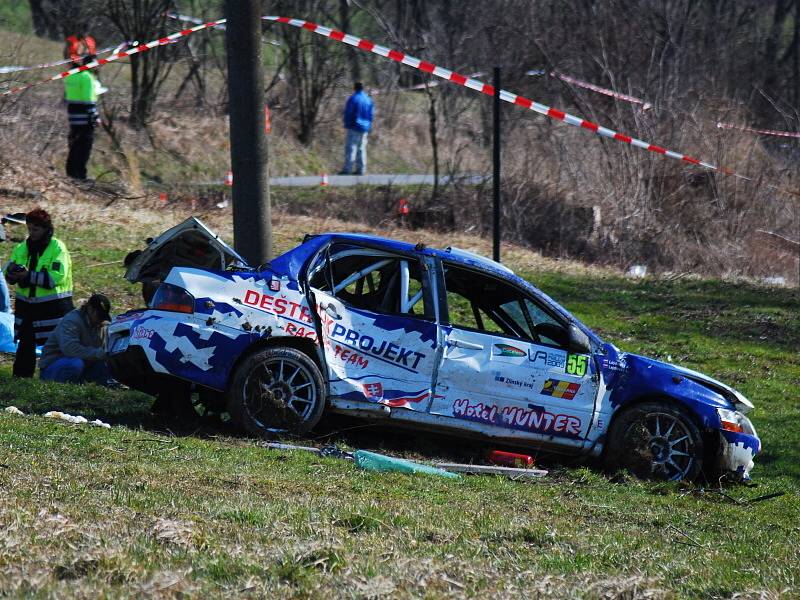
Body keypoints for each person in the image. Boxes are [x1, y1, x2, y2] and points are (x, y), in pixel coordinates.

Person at [4, 208, 74, 377]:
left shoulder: (57, 248)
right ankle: (21, 378)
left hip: (53, 309)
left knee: (57, 345)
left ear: (45, 229)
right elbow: (9, 274)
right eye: (29, 229)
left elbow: (56, 277)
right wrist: (12, 273)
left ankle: (58, 377)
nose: (32, 233)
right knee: (25, 344)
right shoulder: (22, 248)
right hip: (27, 307)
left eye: (36, 229)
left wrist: (28, 275)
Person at [39, 293, 112, 385]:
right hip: (54, 366)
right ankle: (63, 389)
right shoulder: (71, 321)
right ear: (90, 309)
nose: (102, 319)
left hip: (83, 365)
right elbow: (71, 350)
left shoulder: (102, 325)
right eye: (99, 315)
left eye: (104, 316)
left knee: (106, 365)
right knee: (75, 364)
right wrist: (98, 353)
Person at [63, 53, 101, 180]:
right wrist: (95, 118)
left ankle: (71, 173)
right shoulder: (87, 78)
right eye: (96, 63)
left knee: (74, 146)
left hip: (73, 116)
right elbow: (88, 100)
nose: (98, 66)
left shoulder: (71, 76)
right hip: (85, 118)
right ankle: (80, 175)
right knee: (84, 148)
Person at [339, 82, 374, 176]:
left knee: (351, 148)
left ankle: (348, 169)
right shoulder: (368, 99)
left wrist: (347, 124)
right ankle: (361, 170)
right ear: (363, 88)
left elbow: (348, 113)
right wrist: (369, 126)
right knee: (361, 148)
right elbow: (371, 114)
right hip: (365, 127)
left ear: (354, 88)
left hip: (354, 126)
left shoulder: (353, 98)